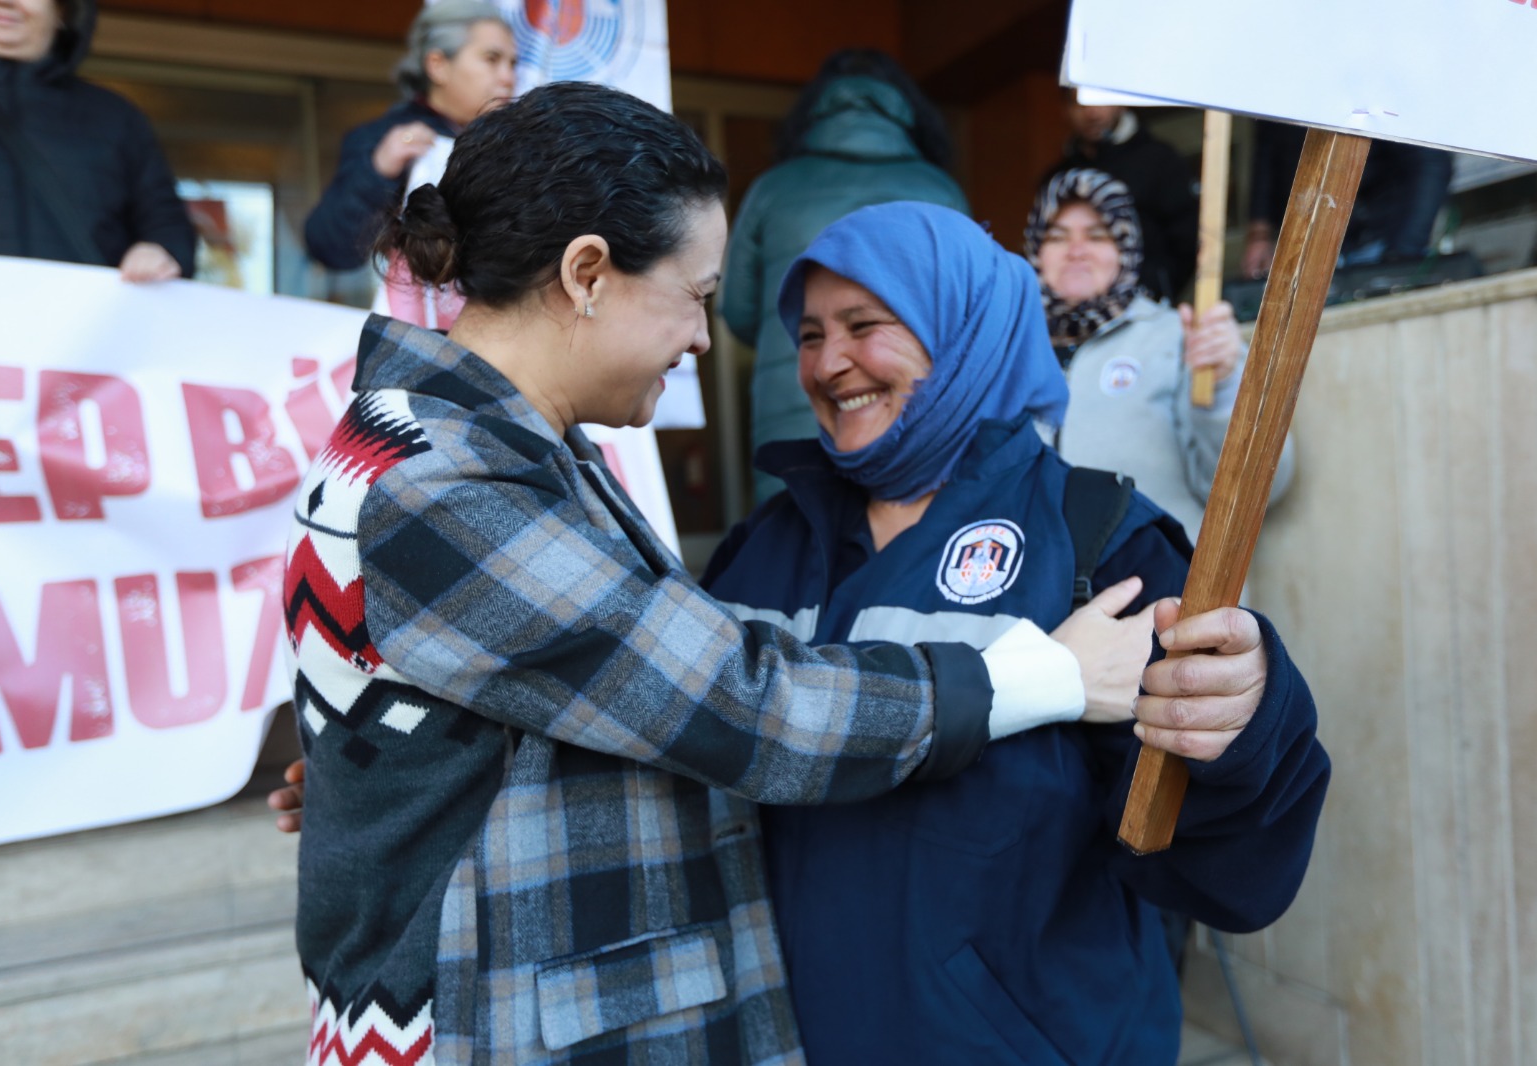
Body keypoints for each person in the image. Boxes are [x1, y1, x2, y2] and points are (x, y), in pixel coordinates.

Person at [282, 82, 1131, 1065]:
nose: (699, 340)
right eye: (694, 296)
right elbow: (739, 703)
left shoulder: (496, 446)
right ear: (588, 273)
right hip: (485, 1023)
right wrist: (1039, 677)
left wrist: (386, 783)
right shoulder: (445, 483)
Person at [700, 201, 1329, 1064]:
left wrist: (1249, 720)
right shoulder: (761, 546)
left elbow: (1218, 871)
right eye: (808, 334)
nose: (827, 363)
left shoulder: (1100, 539)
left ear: (964, 331)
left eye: (864, 325)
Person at [720, 48, 968, 503]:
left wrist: (805, 338)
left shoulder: (773, 189)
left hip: (793, 399)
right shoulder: (939, 191)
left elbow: (736, 310)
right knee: (901, 546)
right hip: (911, 404)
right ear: (902, 107)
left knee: (789, 544)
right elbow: (965, 318)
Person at [1024, 166, 1295, 540]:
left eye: (1097, 235)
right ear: (1035, 248)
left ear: (1127, 248)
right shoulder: (1009, 352)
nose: (1076, 251)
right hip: (1042, 596)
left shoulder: (1182, 339)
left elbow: (1261, 489)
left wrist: (1223, 386)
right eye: (1057, 236)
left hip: (1165, 593)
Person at [302, 0, 514, 271]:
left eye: (512, 63)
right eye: (492, 59)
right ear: (438, 65)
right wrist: (378, 169)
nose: (508, 77)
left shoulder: (512, 147)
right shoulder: (381, 140)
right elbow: (329, 247)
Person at [0, 0, 194, 280]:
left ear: (63, 11)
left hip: (84, 318)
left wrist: (162, 252)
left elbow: (166, 223)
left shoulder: (116, 118)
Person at [1243, 119, 1454, 278]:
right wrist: (1259, 233)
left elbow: (1430, 163)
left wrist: (1402, 255)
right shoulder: (1290, 80)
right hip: (1308, 246)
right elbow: (1268, 147)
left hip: (1380, 241)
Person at [1050, 91, 1197, 302]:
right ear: (1065, 110)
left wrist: (1154, 288)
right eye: (1079, 103)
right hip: (1080, 314)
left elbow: (1188, 238)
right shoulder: (1057, 179)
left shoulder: (1160, 160)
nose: (1091, 112)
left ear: (1121, 102)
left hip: (1149, 309)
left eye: (1100, 100)